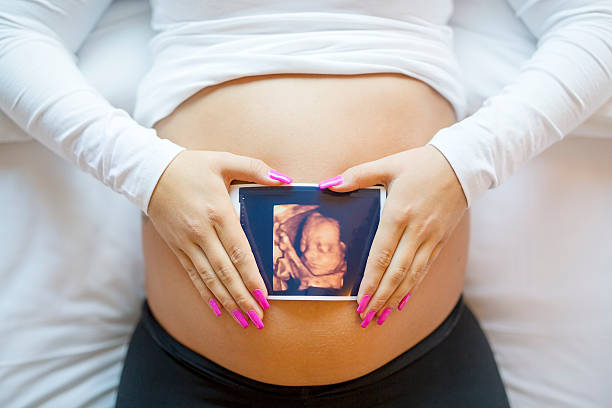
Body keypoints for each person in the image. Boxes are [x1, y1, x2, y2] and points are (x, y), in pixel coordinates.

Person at [0, 0, 610, 406]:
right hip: (194, 376)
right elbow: (12, 29)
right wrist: (147, 172)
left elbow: (596, 22)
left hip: (424, 368)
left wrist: (465, 163)